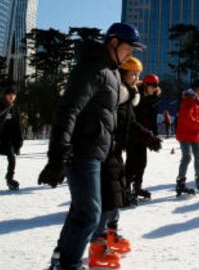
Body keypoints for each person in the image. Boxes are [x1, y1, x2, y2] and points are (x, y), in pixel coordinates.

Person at [37, 22, 144, 270]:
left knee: (82, 211)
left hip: (98, 150)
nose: (131, 54)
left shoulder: (111, 71)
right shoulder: (92, 68)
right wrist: (57, 154)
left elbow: (113, 113)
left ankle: (62, 260)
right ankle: (69, 264)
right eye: (129, 48)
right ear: (114, 43)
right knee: (89, 213)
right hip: (82, 150)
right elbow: (69, 109)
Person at [88, 56, 160, 268]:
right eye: (132, 73)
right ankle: (97, 246)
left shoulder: (128, 96)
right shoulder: (112, 94)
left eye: (138, 74)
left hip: (116, 152)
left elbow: (132, 123)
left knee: (117, 195)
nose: (135, 77)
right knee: (108, 198)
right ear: (122, 73)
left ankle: (112, 235)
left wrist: (149, 137)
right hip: (103, 151)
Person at [175, 78, 199, 196]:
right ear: (195, 89)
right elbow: (187, 118)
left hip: (195, 133)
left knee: (198, 156)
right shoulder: (188, 100)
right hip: (185, 132)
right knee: (187, 157)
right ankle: (180, 182)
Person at [130, 73, 162, 200]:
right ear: (146, 84)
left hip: (144, 135)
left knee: (142, 163)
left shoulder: (152, 98)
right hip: (134, 134)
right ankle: (127, 188)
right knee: (132, 162)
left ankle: (137, 186)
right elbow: (136, 118)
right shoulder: (137, 97)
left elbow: (151, 118)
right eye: (152, 85)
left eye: (156, 85)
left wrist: (154, 134)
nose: (154, 88)